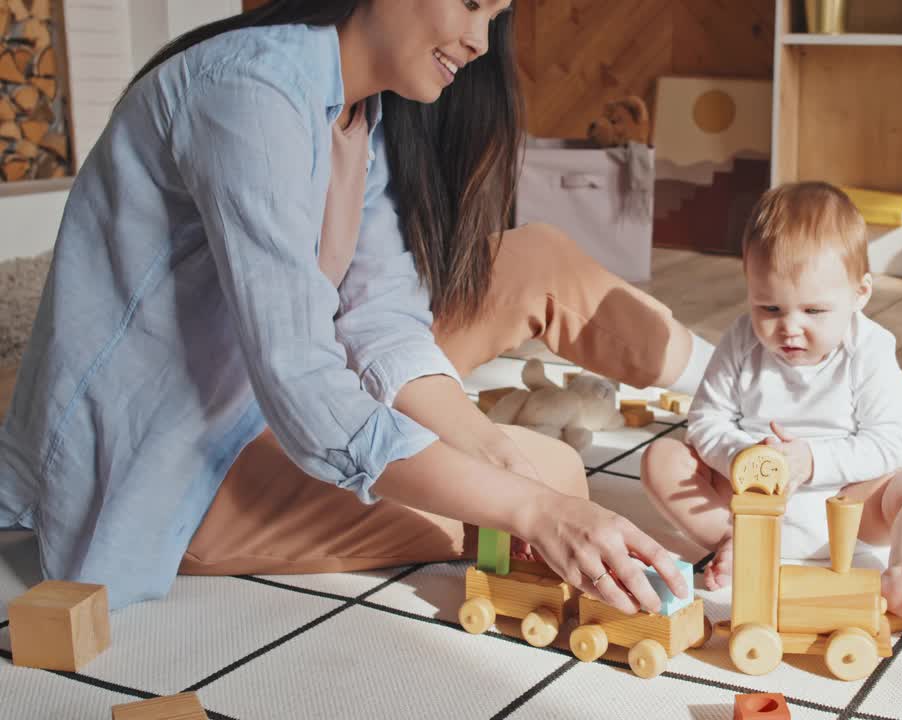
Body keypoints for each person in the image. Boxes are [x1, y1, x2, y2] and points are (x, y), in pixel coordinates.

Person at [0, 0, 717, 614]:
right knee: (550, 485)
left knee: (528, 395)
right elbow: (306, 386)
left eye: (494, 17)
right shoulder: (249, 92)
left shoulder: (357, 116)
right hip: (176, 470)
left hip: (258, 407)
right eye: (470, 3)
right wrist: (528, 503)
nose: (479, 40)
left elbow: (379, 323)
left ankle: (737, 399)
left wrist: (488, 449)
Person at [641, 182, 902, 642]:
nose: (789, 328)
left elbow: (887, 441)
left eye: (814, 310)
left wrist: (811, 460)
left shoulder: (870, 351)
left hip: (847, 500)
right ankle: (731, 540)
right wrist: (743, 458)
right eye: (768, 307)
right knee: (661, 459)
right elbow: (706, 420)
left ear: (860, 294)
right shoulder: (740, 342)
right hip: (745, 498)